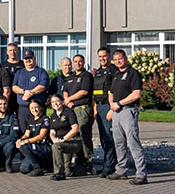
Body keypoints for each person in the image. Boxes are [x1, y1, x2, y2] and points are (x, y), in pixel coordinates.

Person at [107, 49, 147, 185]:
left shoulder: (133, 74)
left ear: (126, 58)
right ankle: (121, 170)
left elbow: (136, 94)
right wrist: (112, 105)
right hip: (117, 112)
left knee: (133, 142)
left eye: (120, 58)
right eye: (116, 59)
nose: (118, 61)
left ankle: (141, 174)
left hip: (128, 111)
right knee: (119, 143)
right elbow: (111, 92)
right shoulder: (116, 74)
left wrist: (119, 103)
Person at [63, 54, 94, 174]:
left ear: (84, 62)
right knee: (73, 135)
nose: (77, 63)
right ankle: (78, 162)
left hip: (82, 109)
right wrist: (67, 101)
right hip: (71, 110)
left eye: (80, 61)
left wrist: (69, 99)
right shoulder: (70, 77)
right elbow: (65, 90)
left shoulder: (87, 76)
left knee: (84, 136)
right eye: (75, 61)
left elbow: (84, 91)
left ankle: (88, 162)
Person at [93, 47, 117, 177]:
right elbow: (96, 93)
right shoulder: (98, 72)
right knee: (103, 139)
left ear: (109, 56)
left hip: (109, 107)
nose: (102, 59)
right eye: (100, 56)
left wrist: (112, 109)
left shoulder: (114, 71)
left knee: (109, 138)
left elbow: (116, 91)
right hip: (100, 107)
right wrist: (95, 109)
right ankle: (108, 164)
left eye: (104, 56)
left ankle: (110, 166)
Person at [11, 49, 49, 130]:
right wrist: (24, 92)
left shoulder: (41, 72)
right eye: (26, 58)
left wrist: (31, 93)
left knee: (38, 131)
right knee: (23, 130)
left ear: (34, 58)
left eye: (30, 58)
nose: (28, 60)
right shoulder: (19, 72)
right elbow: (14, 87)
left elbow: (43, 86)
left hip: (38, 109)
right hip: (23, 109)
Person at [48, 94, 81, 181]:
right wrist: (54, 139)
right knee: (68, 172)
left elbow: (75, 129)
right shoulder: (53, 116)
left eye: (57, 101)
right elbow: (52, 132)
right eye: (53, 102)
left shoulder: (69, 112)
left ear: (62, 102)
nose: (55, 104)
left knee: (56, 146)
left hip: (72, 141)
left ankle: (59, 173)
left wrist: (63, 139)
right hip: (61, 143)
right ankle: (71, 170)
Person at [16, 100, 51, 177]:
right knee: (24, 169)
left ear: (40, 107)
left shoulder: (45, 119)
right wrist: (20, 140)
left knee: (25, 146)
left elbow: (41, 136)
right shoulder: (31, 121)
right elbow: (26, 134)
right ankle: (40, 164)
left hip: (44, 147)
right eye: (32, 108)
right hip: (34, 147)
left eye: (36, 107)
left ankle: (37, 168)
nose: (34, 110)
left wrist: (27, 141)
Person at [3, 43, 25, 113]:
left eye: (14, 50)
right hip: (8, 96)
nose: (12, 52)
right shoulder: (3, 66)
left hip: (20, 96)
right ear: (7, 52)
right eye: (10, 50)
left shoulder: (23, 65)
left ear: (18, 51)